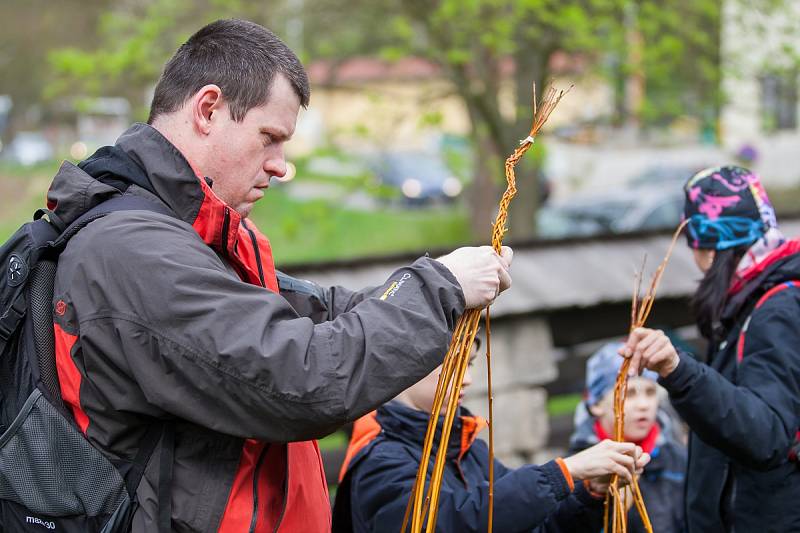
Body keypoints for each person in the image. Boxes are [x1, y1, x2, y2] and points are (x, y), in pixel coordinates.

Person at [49, 19, 513, 532]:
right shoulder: (133, 251)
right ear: (208, 110)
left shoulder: (197, 237)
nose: (281, 166)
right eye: (269, 138)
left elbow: (316, 312)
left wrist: (426, 290)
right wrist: (439, 287)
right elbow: (301, 378)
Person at [623, 165, 800, 532]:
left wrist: (678, 370)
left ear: (711, 243)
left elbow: (766, 434)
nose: (696, 260)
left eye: (696, 246)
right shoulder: (753, 299)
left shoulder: (776, 309)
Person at [334, 338, 651, 532]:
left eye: (471, 363)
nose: (469, 379)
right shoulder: (380, 459)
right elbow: (450, 523)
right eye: (456, 365)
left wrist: (589, 496)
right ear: (407, 364)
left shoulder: (469, 448)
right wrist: (563, 473)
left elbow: (530, 525)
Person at [569, 342, 687, 533]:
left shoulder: (679, 460)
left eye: (650, 392)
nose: (643, 405)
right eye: (628, 394)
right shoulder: (578, 471)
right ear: (596, 403)